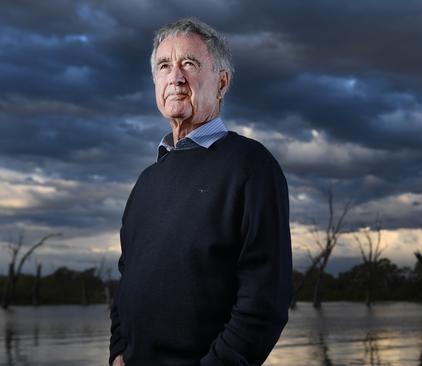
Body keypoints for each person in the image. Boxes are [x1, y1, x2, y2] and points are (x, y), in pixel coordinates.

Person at [109, 18, 293, 366]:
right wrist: (118, 351)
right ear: (155, 82)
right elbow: (126, 279)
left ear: (221, 83)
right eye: (164, 66)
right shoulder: (147, 180)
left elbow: (265, 300)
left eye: (189, 64)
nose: (175, 77)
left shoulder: (252, 166)